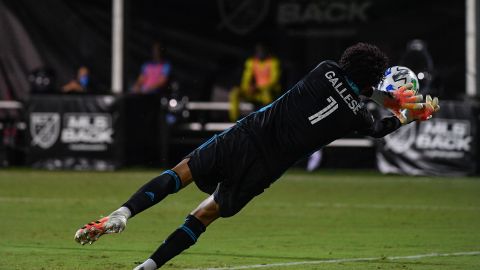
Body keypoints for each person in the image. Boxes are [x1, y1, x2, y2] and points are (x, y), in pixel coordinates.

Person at [74, 43, 439, 270]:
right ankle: (149, 267)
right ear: (373, 80)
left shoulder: (325, 69)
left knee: (179, 174)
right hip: (265, 167)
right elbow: (375, 125)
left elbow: (350, 83)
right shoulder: (357, 116)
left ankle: (122, 213)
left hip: (246, 136)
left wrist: (380, 92)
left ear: (348, 62)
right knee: (206, 213)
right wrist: (405, 113)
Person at [229, 43, 281, 121]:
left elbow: (274, 81)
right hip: (254, 93)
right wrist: (248, 88)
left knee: (266, 93)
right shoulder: (251, 62)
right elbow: (245, 80)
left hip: (268, 93)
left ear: (267, 51)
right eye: (258, 51)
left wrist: (258, 88)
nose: (260, 53)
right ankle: (235, 119)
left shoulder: (273, 62)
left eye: (262, 51)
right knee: (235, 92)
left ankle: (267, 118)